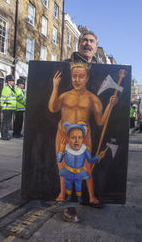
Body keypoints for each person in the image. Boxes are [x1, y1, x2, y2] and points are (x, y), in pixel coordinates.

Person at [48, 62, 117, 204]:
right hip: (63, 134)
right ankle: (62, 193)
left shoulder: (93, 99)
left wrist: (110, 105)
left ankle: (91, 196)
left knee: (86, 165)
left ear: (87, 78)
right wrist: (55, 86)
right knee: (61, 164)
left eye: (81, 76)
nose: (77, 80)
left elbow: (100, 122)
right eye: (74, 76)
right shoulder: (65, 95)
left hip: (83, 135)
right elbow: (52, 108)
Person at [57, 122, 106, 204]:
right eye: (73, 137)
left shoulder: (85, 150)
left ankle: (79, 198)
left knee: (78, 186)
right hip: (68, 172)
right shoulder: (65, 149)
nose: (76, 140)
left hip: (79, 173)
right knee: (68, 185)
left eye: (79, 137)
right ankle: (68, 197)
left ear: (83, 139)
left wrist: (98, 157)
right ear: (68, 138)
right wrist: (61, 151)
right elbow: (59, 160)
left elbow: (90, 160)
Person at [0, 75, 16, 140]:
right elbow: (3, 98)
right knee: (6, 122)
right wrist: (3, 105)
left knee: (8, 123)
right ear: (8, 81)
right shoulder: (6, 89)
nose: (13, 82)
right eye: (12, 81)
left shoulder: (10, 89)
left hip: (10, 108)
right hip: (7, 108)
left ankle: (6, 134)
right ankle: (4, 135)